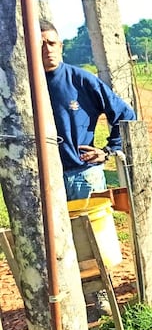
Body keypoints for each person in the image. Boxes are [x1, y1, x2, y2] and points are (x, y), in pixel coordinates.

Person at [40, 20, 136, 201]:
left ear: (61, 46)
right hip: (44, 179)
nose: (47, 49)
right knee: (53, 230)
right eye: (41, 44)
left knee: (95, 227)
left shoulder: (82, 81)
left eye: (52, 43)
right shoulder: (23, 87)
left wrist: (108, 150)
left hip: (83, 175)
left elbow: (126, 115)